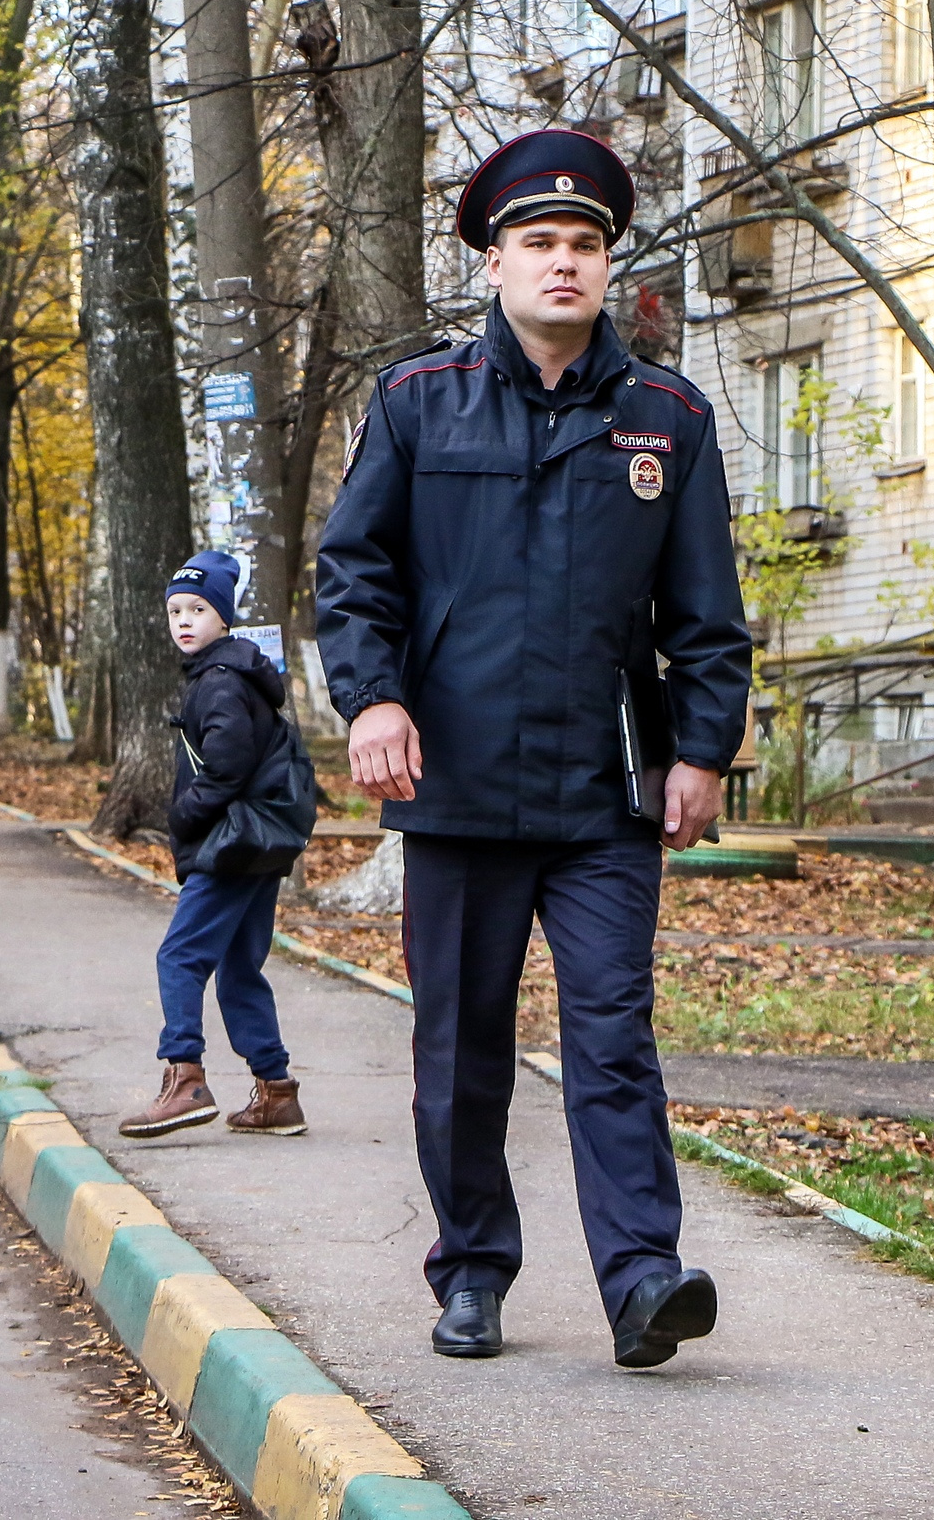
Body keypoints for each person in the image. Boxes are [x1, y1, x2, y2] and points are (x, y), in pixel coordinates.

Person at [315, 129, 752, 1368]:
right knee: (460, 1049)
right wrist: (372, 701)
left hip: (604, 794)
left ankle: (641, 1280)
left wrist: (702, 751)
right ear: (495, 263)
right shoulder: (416, 403)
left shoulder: (665, 418)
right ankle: (471, 1273)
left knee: (613, 1035)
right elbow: (354, 576)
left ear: (608, 267)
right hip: (452, 788)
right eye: (539, 243)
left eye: (585, 245)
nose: (564, 263)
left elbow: (706, 616)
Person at [119, 551, 308, 1140]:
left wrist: (184, 812)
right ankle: (276, 1093)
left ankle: (185, 1078)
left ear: (223, 617)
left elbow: (227, 763)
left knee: (180, 956)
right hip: (259, 845)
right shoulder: (236, 673)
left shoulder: (219, 681)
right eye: (175, 610)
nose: (184, 621)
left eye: (198, 610)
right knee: (238, 968)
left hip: (229, 846)